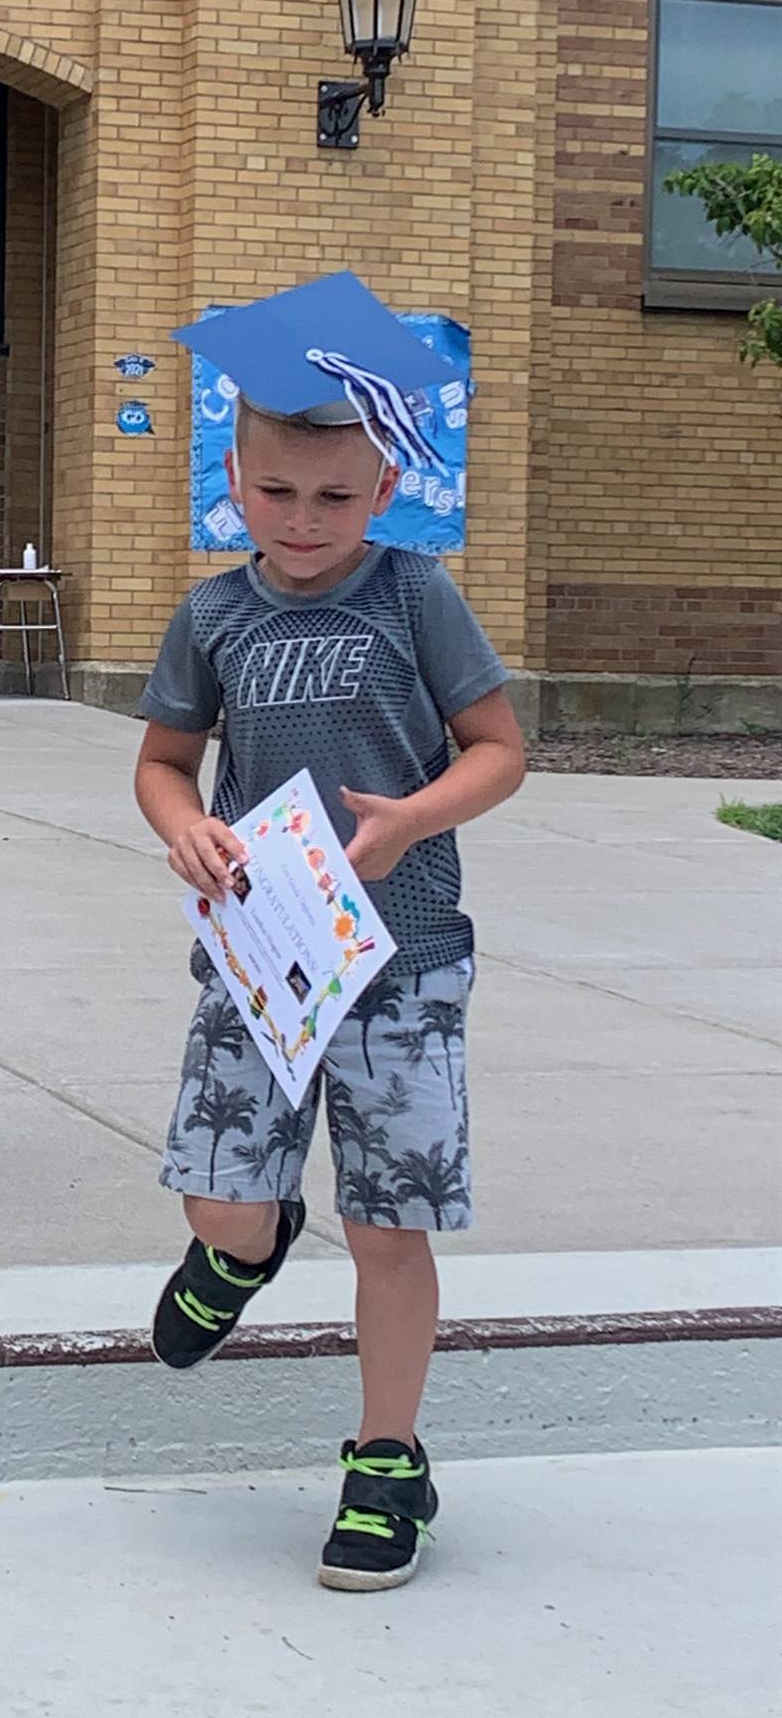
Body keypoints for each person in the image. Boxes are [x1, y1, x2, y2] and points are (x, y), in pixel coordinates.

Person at [135, 272, 526, 1592]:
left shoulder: (415, 599)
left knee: (391, 1224)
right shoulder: (215, 615)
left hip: (402, 962)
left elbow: (501, 751)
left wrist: (415, 817)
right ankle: (243, 1251)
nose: (306, 523)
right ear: (235, 478)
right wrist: (182, 823)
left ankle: (386, 1459)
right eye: (279, 493)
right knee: (220, 1198)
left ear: (384, 492)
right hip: (262, 960)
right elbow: (164, 763)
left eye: (337, 497)